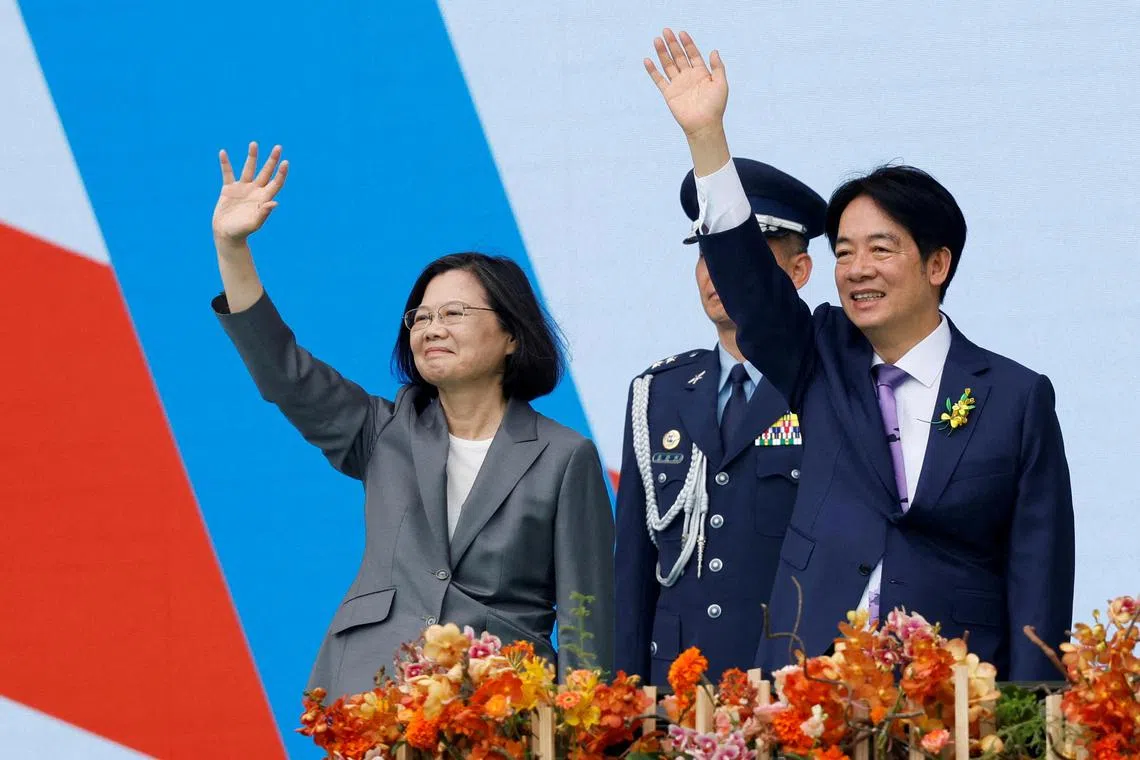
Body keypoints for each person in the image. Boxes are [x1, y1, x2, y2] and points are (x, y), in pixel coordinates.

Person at [642, 30, 1075, 681]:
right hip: (806, 685)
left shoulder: (1014, 397)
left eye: (880, 248)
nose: (856, 269)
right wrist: (708, 143)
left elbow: (1038, 570)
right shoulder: (821, 353)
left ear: (936, 263)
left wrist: (1031, 715)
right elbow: (751, 288)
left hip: (954, 696)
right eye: (844, 252)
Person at [209, 142, 615, 697]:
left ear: (512, 336)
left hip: (501, 706)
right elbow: (285, 374)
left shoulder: (565, 457)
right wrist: (232, 248)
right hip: (374, 690)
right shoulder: (384, 431)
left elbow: (586, 616)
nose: (430, 328)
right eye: (420, 317)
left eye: (454, 314)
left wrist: (580, 731)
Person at [614, 160, 823, 686]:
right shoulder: (658, 393)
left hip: (788, 686)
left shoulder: (826, 385)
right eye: (707, 254)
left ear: (798, 272)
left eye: (741, 255)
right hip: (675, 689)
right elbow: (635, 571)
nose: (717, 271)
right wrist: (627, 695)